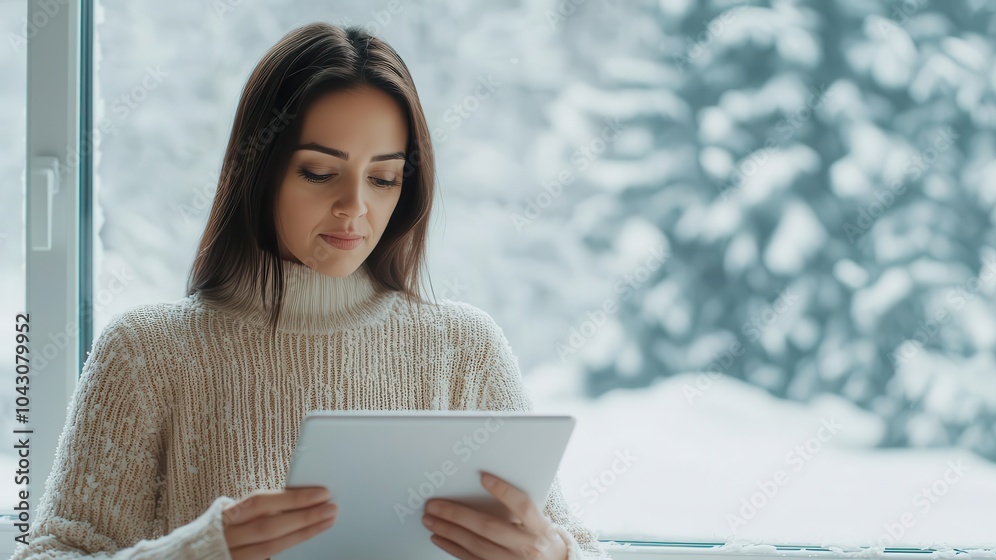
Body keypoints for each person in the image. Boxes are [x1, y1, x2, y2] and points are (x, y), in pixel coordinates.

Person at [12, 22, 609, 560]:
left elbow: (574, 544)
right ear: (259, 169)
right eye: (320, 173)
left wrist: (552, 557)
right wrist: (196, 552)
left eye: (383, 178)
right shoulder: (147, 353)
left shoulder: (465, 348)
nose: (355, 207)